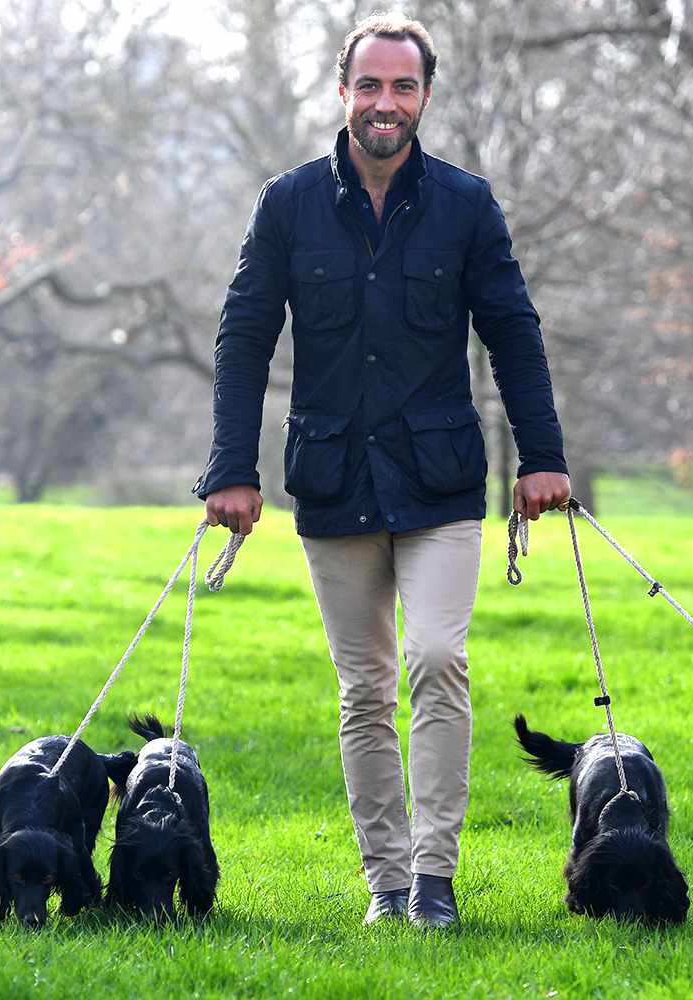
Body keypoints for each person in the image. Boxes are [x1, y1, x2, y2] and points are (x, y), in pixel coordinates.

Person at [193, 13, 569, 929]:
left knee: (437, 660)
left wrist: (543, 456)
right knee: (363, 690)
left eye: (403, 87)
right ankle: (387, 883)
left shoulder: (466, 204)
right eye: (370, 86)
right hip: (332, 481)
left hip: (439, 480)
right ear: (343, 93)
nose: (385, 104)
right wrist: (229, 470)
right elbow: (245, 336)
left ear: (425, 98)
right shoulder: (285, 206)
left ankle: (435, 880)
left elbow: (512, 330)